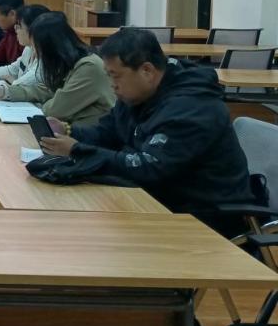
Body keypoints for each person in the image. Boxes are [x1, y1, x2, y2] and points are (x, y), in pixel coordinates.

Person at [39, 28, 254, 235]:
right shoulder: (138, 94)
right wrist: (69, 132)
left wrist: (77, 150)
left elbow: (149, 167)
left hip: (204, 217)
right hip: (158, 199)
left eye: (116, 76)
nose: (112, 85)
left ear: (147, 71)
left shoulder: (192, 108)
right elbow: (108, 132)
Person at [22, 11, 115, 127]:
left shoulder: (88, 67)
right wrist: (6, 92)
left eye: (36, 47)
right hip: (76, 130)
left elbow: (55, 110)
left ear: (50, 48)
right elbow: (46, 91)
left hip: (94, 134)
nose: (35, 53)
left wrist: (45, 104)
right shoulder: (67, 63)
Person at [0, 4, 50, 98]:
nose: (15, 29)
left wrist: (13, 81)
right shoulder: (29, 49)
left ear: (34, 30)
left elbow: (18, 86)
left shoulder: (47, 59)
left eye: (19, 26)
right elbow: (11, 70)